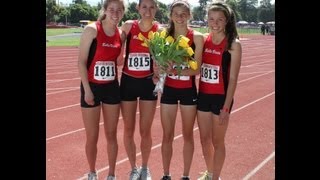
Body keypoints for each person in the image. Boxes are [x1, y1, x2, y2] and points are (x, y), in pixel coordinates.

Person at [155, 0, 204, 179]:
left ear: (189, 15)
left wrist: (176, 70)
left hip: (188, 91)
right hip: (168, 90)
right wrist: (159, 69)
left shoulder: (197, 37)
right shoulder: (163, 35)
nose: (180, 17)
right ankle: (166, 174)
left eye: (184, 13)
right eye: (176, 13)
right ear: (170, 16)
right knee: (167, 135)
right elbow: (158, 63)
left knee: (188, 135)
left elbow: (196, 69)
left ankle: (185, 175)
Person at [77, 0, 126, 179]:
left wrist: (124, 44)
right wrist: (87, 90)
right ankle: (92, 172)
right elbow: (81, 62)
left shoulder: (121, 34)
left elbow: (119, 62)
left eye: (119, 10)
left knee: (111, 134)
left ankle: (111, 174)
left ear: (123, 12)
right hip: (91, 87)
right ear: (104, 10)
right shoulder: (92, 30)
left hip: (112, 87)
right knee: (92, 136)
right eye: (111, 9)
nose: (115, 13)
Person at [196, 2, 242, 180]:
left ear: (227, 21)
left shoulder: (233, 44)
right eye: (211, 19)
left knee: (217, 141)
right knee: (204, 139)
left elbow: (233, 80)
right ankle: (210, 173)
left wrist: (226, 108)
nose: (215, 23)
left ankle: (216, 178)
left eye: (219, 19)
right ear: (207, 19)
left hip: (221, 98)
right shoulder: (203, 39)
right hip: (203, 96)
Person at [119, 0, 159, 179]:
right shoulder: (129, 26)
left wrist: (160, 70)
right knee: (128, 129)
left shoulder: (160, 30)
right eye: (144, 6)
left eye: (152, 7)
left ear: (156, 9)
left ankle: (145, 167)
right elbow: (114, 45)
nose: (148, 10)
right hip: (128, 82)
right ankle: (133, 168)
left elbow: (161, 58)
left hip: (148, 83)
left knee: (145, 130)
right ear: (138, 8)